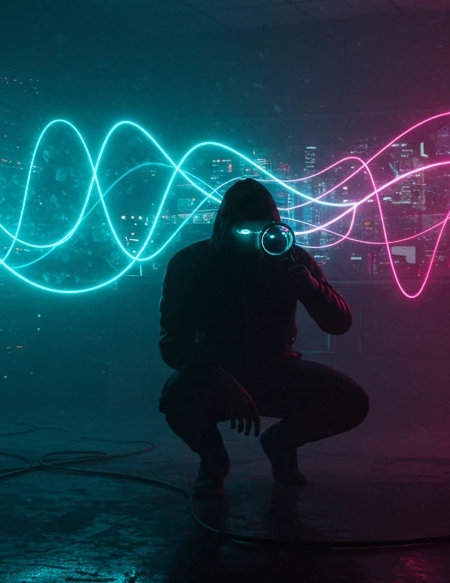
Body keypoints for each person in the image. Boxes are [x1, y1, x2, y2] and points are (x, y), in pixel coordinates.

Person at [158, 179, 370, 495]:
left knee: (352, 402)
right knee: (175, 399)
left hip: (276, 369)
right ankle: (214, 459)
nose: (254, 241)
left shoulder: (292, 260)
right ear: (225, 228)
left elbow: (339, 324)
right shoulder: (192, 264)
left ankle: (281, 443)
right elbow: (172, 342)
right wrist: (219, 378)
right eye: (245, 232)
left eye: (265, 232)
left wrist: (311, 289)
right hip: (216, 372)